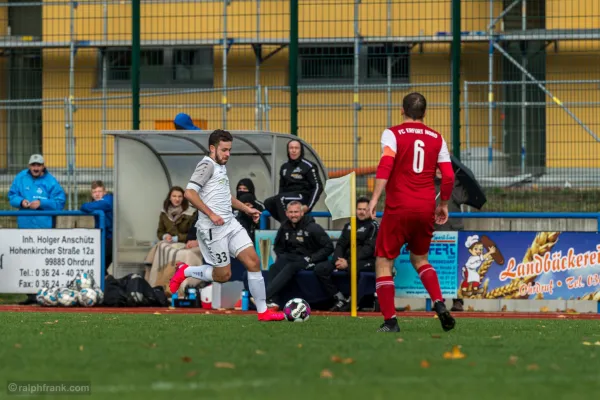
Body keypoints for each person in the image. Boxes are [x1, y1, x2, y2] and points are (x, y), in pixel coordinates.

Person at [169, 129, 285, 321]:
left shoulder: (220, 165)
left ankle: (263, 312)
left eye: (230, 150)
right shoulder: (206, 165)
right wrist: (211, 214)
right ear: (212, 148)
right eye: (224, 150)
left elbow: (225, 196)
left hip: (230, 224)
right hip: (213, 229)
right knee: (223, 275)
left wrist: (247, 210)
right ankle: (186, 271)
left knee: (253, 262)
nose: (228, 154)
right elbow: (190, 193)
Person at [367, 92, 456, 333]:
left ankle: (390, 321)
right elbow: (448, 176)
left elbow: (386, 164)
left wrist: (375, 198)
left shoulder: (392, 133)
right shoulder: (437, 138)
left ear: (401, 110)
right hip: (425, 207)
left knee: (384, 261)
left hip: (398, 207)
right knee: (420, 259)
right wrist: (444, 204)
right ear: (424, 113)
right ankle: (438, 302)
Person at [314, 196, 378, 311]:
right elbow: (341, 244)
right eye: (359, 209)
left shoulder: (373, 226)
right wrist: (337, 260)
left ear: (370, 210)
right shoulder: (349, 225)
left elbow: (368, 249)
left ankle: (354, 302)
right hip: (346, 260)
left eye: (365, 209)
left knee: (353, 268)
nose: (362, 212)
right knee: (320, 269)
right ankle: (339, 298)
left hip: (367, 261)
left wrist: (348, 262)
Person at [265, 201, 334, 308]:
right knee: (274, 267)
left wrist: (312, 258)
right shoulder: (284, 226)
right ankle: (272, 301)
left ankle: (264, 296)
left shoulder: (313, 227)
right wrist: (281, 257)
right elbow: (278, 247)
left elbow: (329, 247)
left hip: (310, 259)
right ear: (287, 213)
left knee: (291, 267)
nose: (293, 215)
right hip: (291, 257)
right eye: (291, 212)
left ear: (302, 213)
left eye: (296, 212)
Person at [263, 139, 323, 223]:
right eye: (291, 148)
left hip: (302, 196)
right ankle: (290, 223)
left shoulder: (308, 166)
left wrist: (308, 206)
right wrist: (278, 200)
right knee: (268, 202)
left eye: (296, 148)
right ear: (288, 150)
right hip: (286, 197)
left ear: (300, 150)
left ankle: (287, 227)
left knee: (281, 198)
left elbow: (318, 187)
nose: (294, 150)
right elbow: (282, 187)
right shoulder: (284, 167)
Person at [8, 154, 66, 229]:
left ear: (43, 166)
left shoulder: (51, 181)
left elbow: (60, 202)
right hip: (24, 227)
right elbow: (12, 196)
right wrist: (21, 202)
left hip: (45, 229)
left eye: (38, 165)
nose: (36, 168)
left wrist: (41, 203)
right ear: (29, 166)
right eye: (33, 165)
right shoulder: (20, 177)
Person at [80, 180, 114, 276]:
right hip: (104, 238)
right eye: (94, 192)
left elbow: (85, 207)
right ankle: (106, 283)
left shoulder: (109, 199)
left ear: (104, 192)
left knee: (100, 266)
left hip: (112, 238)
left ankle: (107, 283)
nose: (97, 194)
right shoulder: (96, 204)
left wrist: (85, 205)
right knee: (99, 266)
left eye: (99, 191)